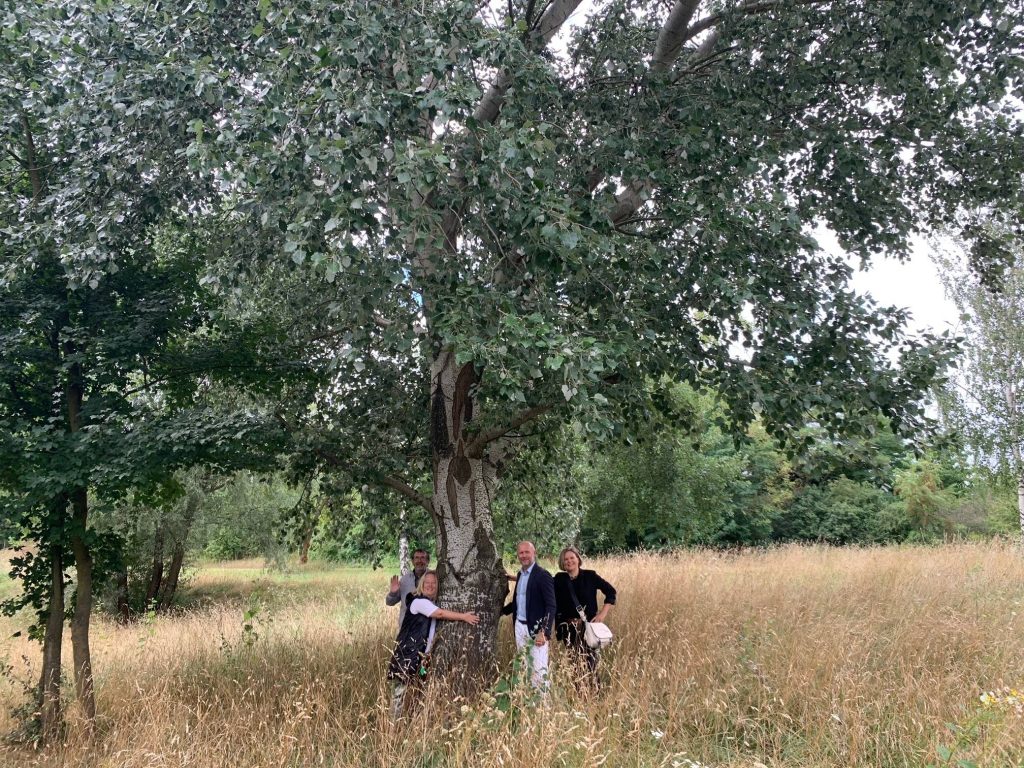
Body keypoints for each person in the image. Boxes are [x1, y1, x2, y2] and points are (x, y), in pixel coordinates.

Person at [387, 570, 479, 719]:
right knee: (400, 692)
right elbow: (440, 614)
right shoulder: (419, 602)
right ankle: (393, 725)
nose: (430, 585)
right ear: (421, 584)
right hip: (408, 656)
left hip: (422, 658)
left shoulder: (430, 603)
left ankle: (411, 721)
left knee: (418, 689)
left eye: (434, 583)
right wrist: (464, 617)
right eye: (427, 582)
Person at [553, 546, 616, 690]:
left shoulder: (590, 576)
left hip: (588, 628)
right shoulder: (559, 579)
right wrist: (516, 578)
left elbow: (611, 592)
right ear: (562, 562)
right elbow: (541, 584)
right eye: (566, 559)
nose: (569, 561)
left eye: (572, 558)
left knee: (590, 664)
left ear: (578, 559)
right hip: (568, 630)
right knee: (575, 665)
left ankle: (594, 696)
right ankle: (579, 696)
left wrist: (602, 614)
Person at [501, 540, 556, 692]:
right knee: (525, 665)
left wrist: (544, 631)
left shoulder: (543, 575)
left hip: (536, 629)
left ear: (534, 553)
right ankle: (528, 699)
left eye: (527, 552)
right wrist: (501, 611)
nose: (524, 555)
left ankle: (542, 703)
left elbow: (551, 605)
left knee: (539, 669)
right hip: (519, 626)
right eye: (521, 553)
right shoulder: (521, 574)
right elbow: (519, 601)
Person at [385, 548, 430, 628]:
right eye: (416, 558)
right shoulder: (405, 579)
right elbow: (389, 602)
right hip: (407, 627)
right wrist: (393, 593)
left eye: (423, 558)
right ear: (412, 561)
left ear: (427, 561)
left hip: (427, 627)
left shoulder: (434, 578)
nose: (419, 561)